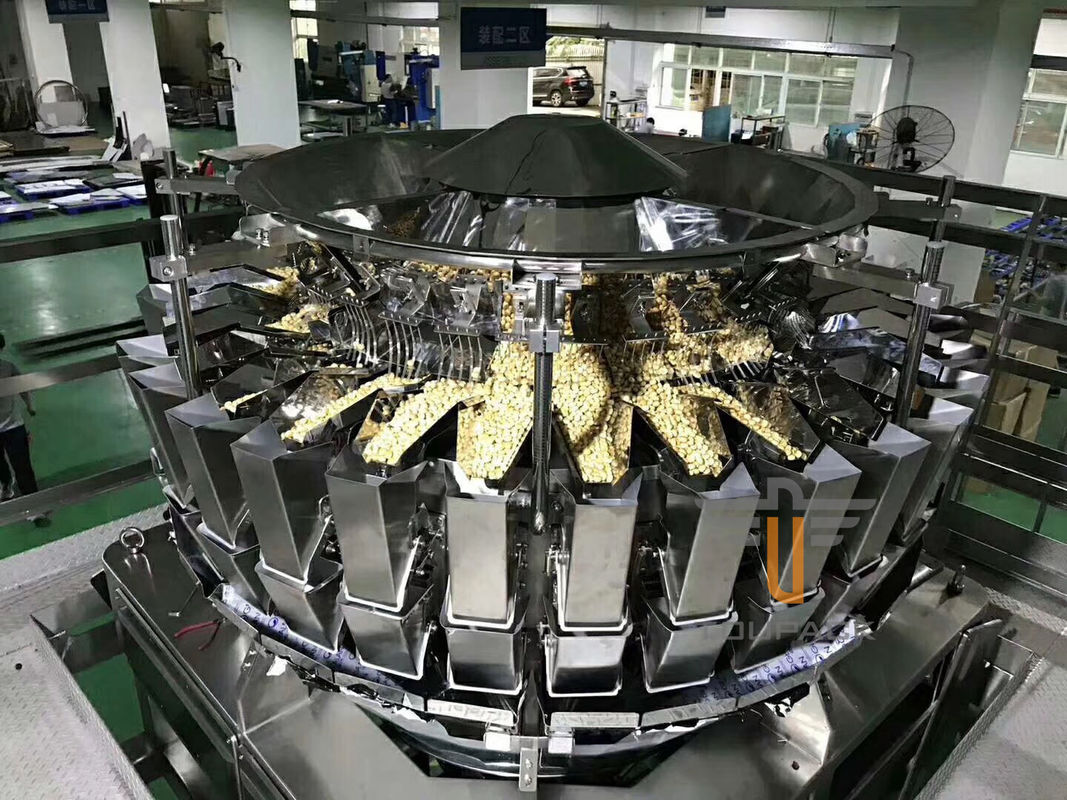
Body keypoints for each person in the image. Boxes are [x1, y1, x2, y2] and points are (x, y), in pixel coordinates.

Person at [0, 332, 47, 526]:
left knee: (23, 467)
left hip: (13, 425)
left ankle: (33, 506)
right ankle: (6, 484)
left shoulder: (8, 367)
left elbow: (23, 387)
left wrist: (30, 405)